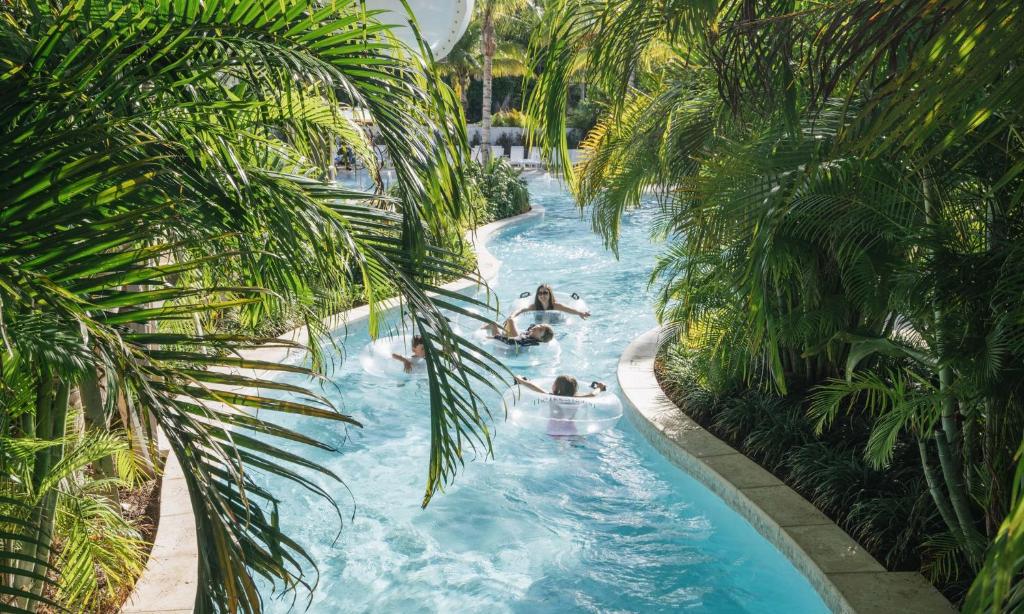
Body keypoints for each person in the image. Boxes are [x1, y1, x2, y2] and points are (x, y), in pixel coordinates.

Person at [511, 284, 590, 319]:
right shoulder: (535, 306)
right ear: (537, 296)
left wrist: (580, 313)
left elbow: (569, 309)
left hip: (556, 324)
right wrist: (512, 316)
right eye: (540, 293)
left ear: (550, 295)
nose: (542, 295)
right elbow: (521, 310)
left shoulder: (556, 306)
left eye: (545, 293)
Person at [483, 317, 554, 347]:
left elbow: (512, 341)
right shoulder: (532, 335)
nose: (538, 327)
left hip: (505, 347)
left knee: (508, 321)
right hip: (510, 342)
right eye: (540, 325)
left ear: (540, 338)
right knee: (507, 321)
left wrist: (495, 337)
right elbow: (532, 326)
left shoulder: (527, 340)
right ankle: (490, 326)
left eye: (540, 330)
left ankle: (482, 329)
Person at [513, 374, 607, 397]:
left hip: (553, 427)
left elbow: (532, 386)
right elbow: (592, 394)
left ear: (556, 387)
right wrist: (599, 387)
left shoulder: (551, 396)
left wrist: (520, 379)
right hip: (571, 428)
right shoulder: (577, 398)